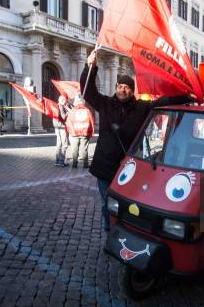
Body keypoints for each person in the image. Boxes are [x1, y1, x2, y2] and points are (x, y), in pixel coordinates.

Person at [80, 50, 191, 231]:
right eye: (120, 86)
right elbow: (88, 91)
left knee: (127, 202)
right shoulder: (105, 103)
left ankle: (125, 228)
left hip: (129, 167)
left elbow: (163, 101)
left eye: (127, 87)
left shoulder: (141, 107)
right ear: (116, 88)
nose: (123, 89)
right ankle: (110, 229)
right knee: (107, 202)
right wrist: (90, 67)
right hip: (105, 166)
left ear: (132, 91)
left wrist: (186, 96)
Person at [66, 94, 95, 168]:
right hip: (85, 132)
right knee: (84, 148)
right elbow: (92, 121)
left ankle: (74, 163)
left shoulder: (72, 111)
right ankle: (85, 164)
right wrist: (92, 131)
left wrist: (70, 131)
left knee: (75, 148)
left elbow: (69, 122)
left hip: (75, 133)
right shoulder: (87, 110)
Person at [53, 95, 69, 167]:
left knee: (58, 144)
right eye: (65, 100)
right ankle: (62, 161)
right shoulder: (61, 106)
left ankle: (57, 161)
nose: (66, 102)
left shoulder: (55, 105)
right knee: (64, 145)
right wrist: (68, 111)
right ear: (63, 100)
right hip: (62, 127)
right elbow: (63, 117)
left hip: (57, 127)